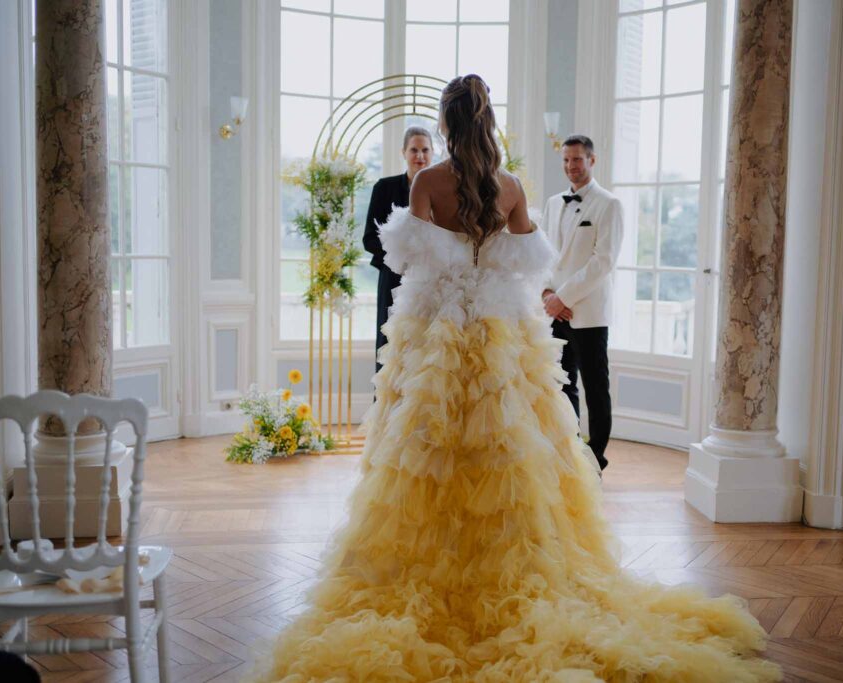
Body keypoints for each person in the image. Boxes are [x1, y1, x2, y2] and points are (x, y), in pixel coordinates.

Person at [259, 75, 779, 682]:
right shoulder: (509, 187)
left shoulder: (426, 182)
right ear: (487, 121)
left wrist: (452, 263)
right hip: (500, 335)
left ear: (448, 125)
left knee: (424, 450)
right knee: (510, 447)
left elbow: (407, 261)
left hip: (436, 334)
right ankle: (518, 564)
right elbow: (531, 259)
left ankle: (431, 566)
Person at [540, 136, 623, 471]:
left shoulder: (609, 204)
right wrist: (547, 294)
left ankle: (596, 460)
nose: (571, 167)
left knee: (595, 388)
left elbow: (602, 261)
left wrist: (564, 297)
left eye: (577, 160)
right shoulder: (552, 203)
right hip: (554, 312)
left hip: (588, 313)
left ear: (592, 160)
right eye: (566, 161)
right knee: (562, 386)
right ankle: (571, 452)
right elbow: (544, 254)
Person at [362, 126, 434, 373]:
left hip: (430, 282)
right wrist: (402, 259)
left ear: (433, 153)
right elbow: (369, 239)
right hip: (393, 279)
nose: (420, 156)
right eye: (414, 150)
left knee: (425, 349)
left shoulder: (442, 192)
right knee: (390, 347)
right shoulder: (384, 188)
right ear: (403, 152)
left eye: (425, 150)